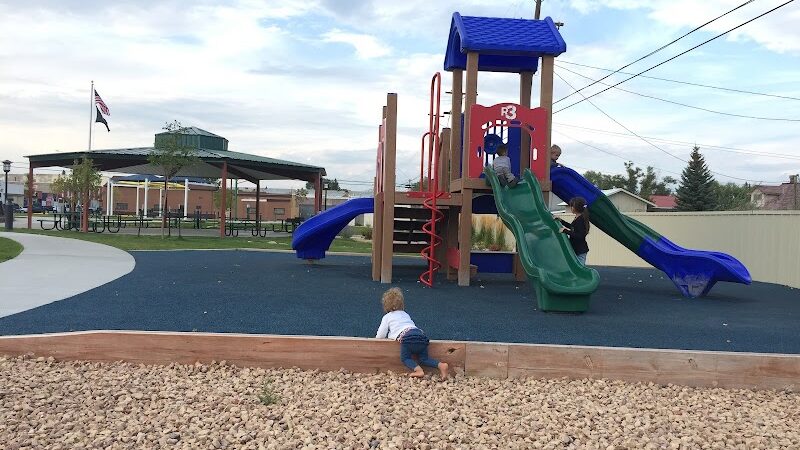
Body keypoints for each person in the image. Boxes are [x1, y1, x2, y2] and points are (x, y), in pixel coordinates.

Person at [375, 287, 449, 379]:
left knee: (406, 358)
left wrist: (380, 340)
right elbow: (411, 325)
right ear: (402, 304)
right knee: (424, 359)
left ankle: (418, 370)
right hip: (421, 336)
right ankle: (441, 365)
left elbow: (381, 335)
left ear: (386, 306)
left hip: (408, 339)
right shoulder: (405, 314)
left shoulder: (387, 317)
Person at [558, 197, 590, 265]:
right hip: (576, 249)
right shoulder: (577, 218)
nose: (571, 208)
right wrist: (561, 221)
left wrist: (565, 231)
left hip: (580, 251)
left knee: (580, 268)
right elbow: (572, 227)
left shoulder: (581, 220)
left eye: (572, 206)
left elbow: (580, 236)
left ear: (576, 208)